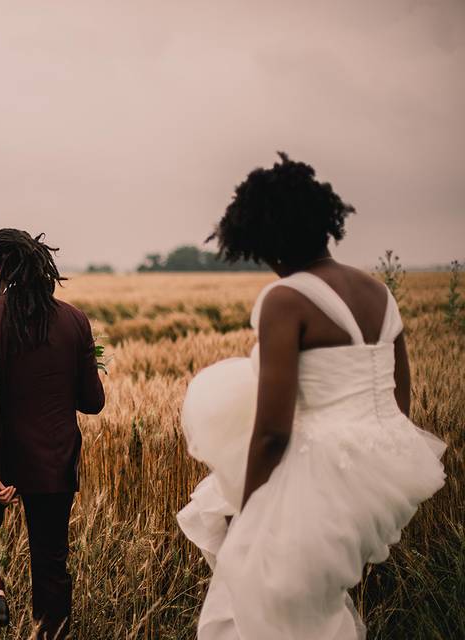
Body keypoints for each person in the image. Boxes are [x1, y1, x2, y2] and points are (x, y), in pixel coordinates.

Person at [177, 153, 446, 639]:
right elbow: (399, 403)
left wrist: (250, 508)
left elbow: (273, 430)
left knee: (249, 615)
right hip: (379, 477)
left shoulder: (286, 299)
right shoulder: (380, 294)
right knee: (309, 613)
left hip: (310, 485)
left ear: (264, 238)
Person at [0, 228, 106, 638]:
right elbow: (93, 402)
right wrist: (84, 360)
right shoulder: (75, 319)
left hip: (3, 458)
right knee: (51, 564)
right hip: (55, 461)